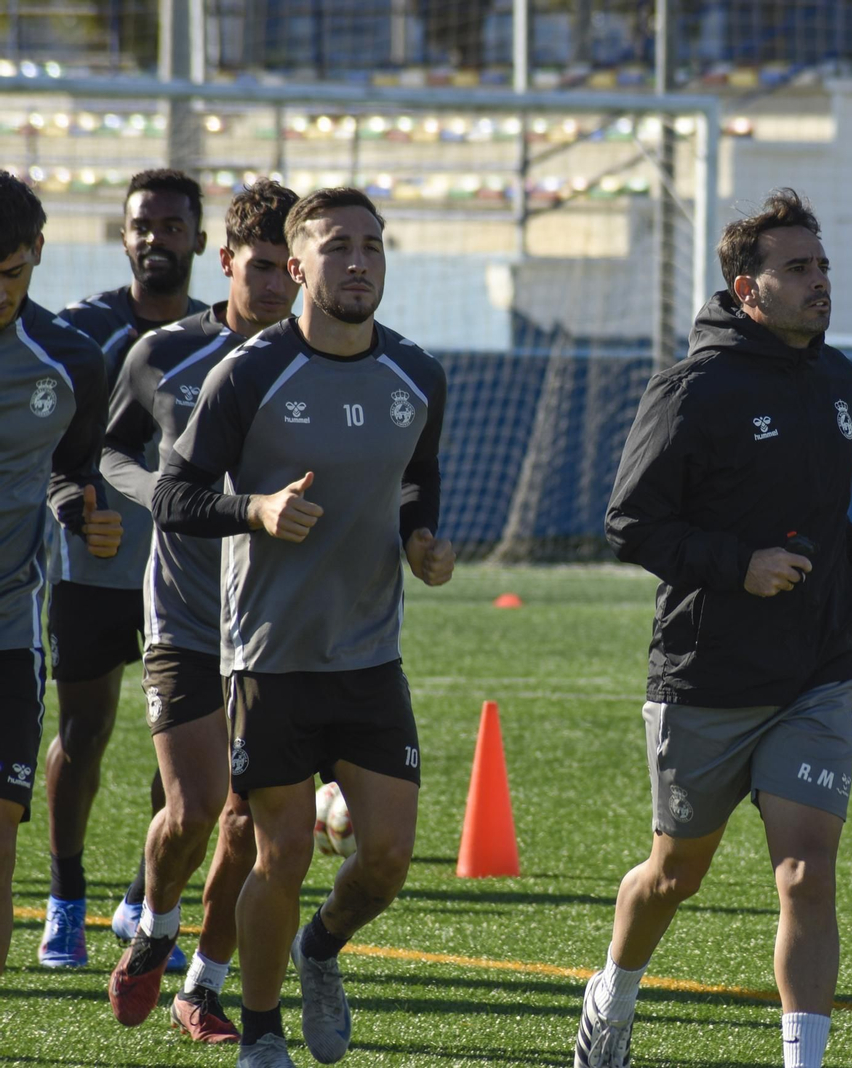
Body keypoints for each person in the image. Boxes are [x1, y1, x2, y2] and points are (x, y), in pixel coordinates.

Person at [584, 188, 852, 1068]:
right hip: (708, 673)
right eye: (797, 269)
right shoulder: (695, 388)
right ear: (747, 287)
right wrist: (741, 565)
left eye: (823, 265)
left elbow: (823, 513)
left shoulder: (837, 377)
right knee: (673, 876)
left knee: (806, 871)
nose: (819, 282)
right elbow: (630, 524)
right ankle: (613, 988)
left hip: (817, 670)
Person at [151, 186, 453, 1068]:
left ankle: (320, 949)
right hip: (269, 656)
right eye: (336, 247)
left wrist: (421, 539)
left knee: (389, 856)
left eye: (372, 245)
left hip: (369, 654)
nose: (358, 261)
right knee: (278, 850)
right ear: (298, 266)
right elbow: (174, 496)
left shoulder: (417, 374)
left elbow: (417, 476)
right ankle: (260, 1036)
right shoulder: (248, 372)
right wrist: (255, 509)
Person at [103, 178, 300, 1042]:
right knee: (192, 809)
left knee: (246, 820)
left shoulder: (320, 362)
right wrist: (162, 494)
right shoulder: (163, 356)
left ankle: (203, 986)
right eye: (257, 268)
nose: (273, 287)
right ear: (224, 263)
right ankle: (151, 928)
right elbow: (108, 451)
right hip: (184, 610)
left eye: (285, 270)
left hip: (274, 619)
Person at [38, 168, 207, 970]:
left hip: (184, 574)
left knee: (180, 747)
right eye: (143, 225)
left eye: (172, 226)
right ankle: (65, 900)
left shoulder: (214, 342)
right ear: (124, 235)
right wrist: (74, 509)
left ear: (201, 242)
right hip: (92, 566)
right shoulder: (86, 331)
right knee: (85, 732)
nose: (156, 238)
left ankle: (144, 901)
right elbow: (50, 442)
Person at [0, 171, 123, 972]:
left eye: (8, 274)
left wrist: (85, 512)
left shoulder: (72, 364)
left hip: (8, 628)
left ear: (38, 253)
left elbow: (69, 474)